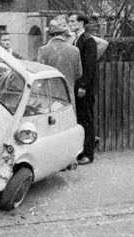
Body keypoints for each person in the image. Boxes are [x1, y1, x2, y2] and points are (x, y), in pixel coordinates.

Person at [68, 12, 98, 165]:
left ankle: (88, 153)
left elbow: (90, 67)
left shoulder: (88, 41)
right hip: (77, 87)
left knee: (87, 120)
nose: (70, 24)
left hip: (84, 88)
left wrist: (84, 86)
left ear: (81, 23)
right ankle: (80, 152)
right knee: (80, 119)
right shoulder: (75, 39)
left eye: (73, 21)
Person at [36, 18, 82, 92]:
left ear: (50, 35)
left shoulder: (43, 50)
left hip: (50, 95)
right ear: (64, 33)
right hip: (68, 95)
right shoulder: (75, 50)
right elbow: (79, 74)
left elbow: (39, 75)